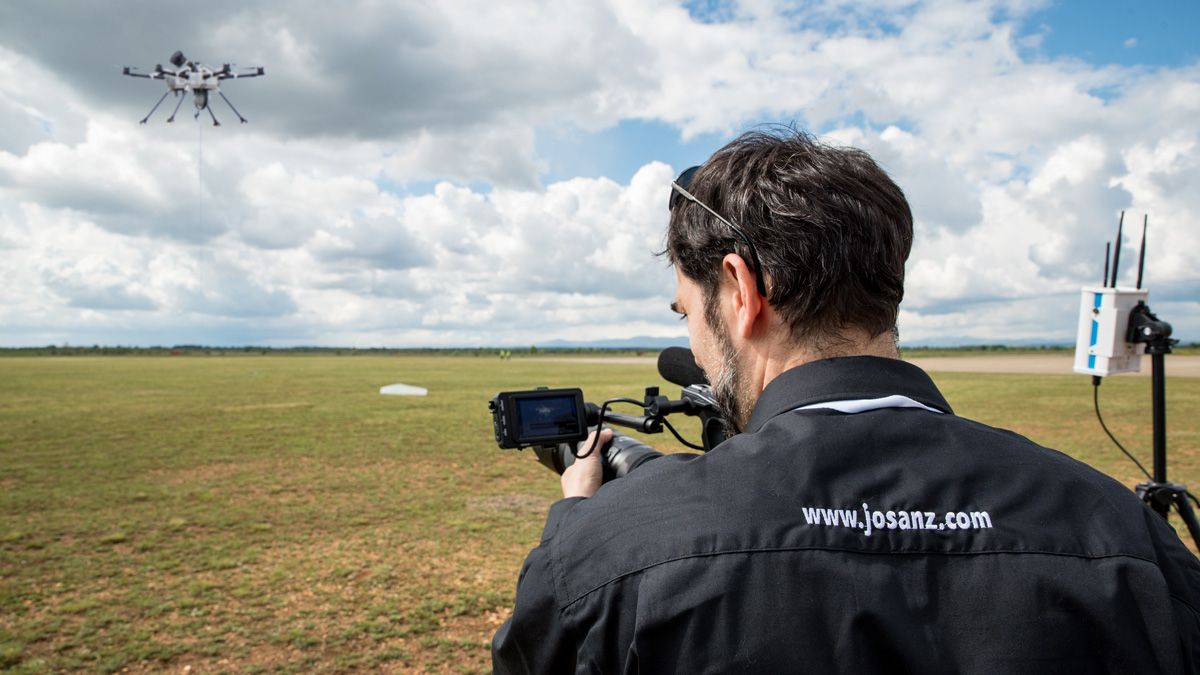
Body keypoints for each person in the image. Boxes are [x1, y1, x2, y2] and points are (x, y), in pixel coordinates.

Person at [492, 128, 1200, 673]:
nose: (696, 347)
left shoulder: (608, 555)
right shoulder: (1128, 537)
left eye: (686, 313)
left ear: (741, 292)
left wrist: (583, 519)